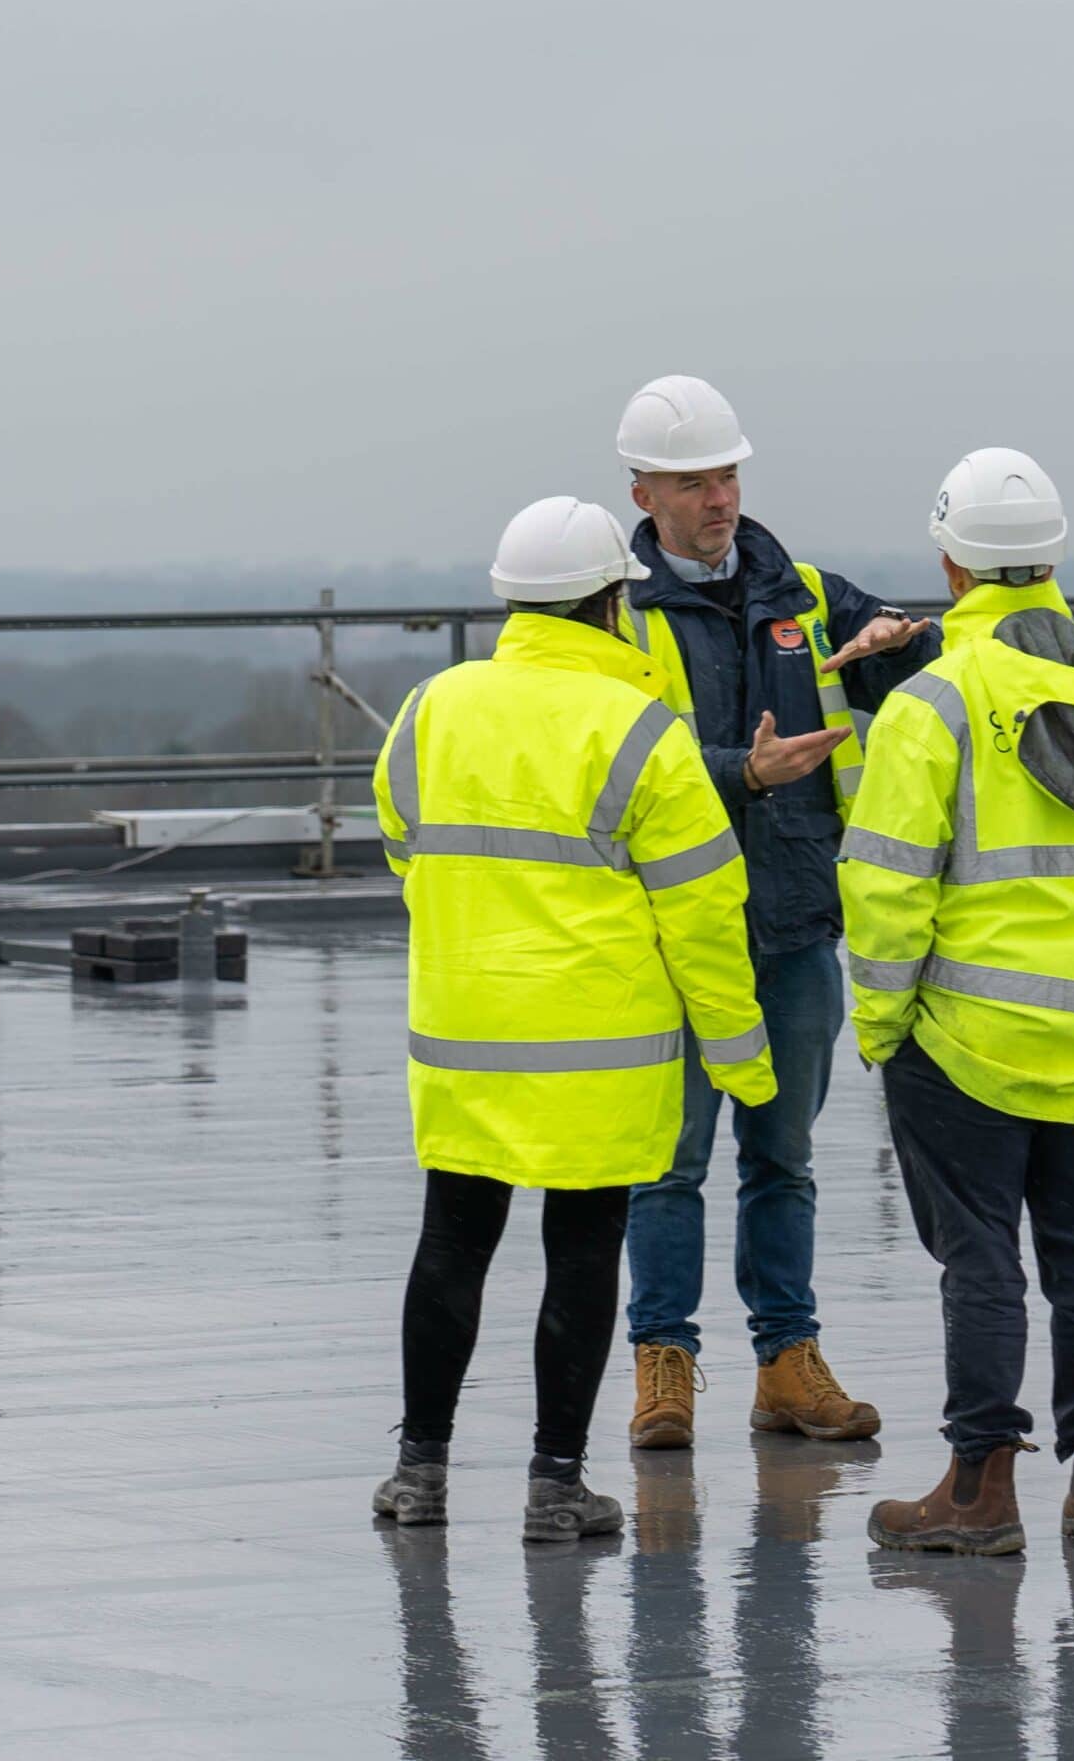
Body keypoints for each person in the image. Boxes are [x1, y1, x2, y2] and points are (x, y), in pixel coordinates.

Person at [368, 496, 776, 1543]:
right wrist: (742, 1060)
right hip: (598, 1052)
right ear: (609, 605)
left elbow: (407, 849)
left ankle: (419, 1472)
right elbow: (704, 912)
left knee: (452, 1243)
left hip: (464, 1036)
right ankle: (556, 1485)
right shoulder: (639, 729)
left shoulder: (432, 707)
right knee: (583, 1253)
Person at [841, 449, 1074, 1554]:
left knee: (982, 1263)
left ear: (952, 566)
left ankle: (979, 1492)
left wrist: (883, 1023)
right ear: (1049, 559)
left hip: (961, 1042)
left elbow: (885, 885)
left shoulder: (932, 705)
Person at [615, 374, 939, 1450]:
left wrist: (906, 644)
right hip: (671, 930)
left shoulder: (800, 591)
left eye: (729, 474)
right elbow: (614, 769)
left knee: (783, 1155)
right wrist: (738, 775)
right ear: (643, 492)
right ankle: (662, 1364)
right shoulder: (615, 615)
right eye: (695, 480)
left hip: (794, 918)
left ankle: (787, 1364)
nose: (719, 496)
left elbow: (910, 677)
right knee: (669, 1163)